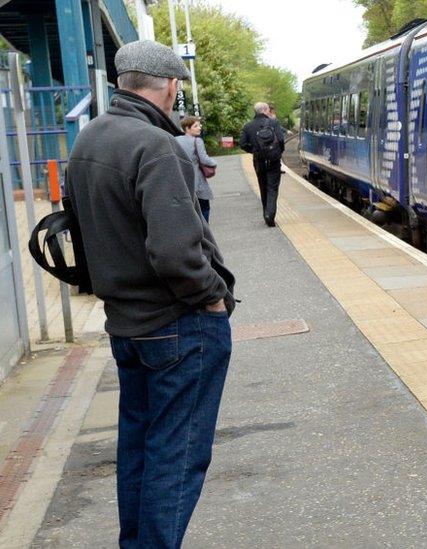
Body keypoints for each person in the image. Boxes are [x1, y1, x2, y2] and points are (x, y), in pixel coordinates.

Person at [64, 40, 235, 549]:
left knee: (139, 448)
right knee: (178, 455)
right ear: (171, 86)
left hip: (127, 324)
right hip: (178, 324)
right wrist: (212, 296)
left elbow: (77, 229)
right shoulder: (156, 146)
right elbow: (175, 252)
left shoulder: (89, 138)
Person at [240, 102, 285, 227]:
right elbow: (281, 140)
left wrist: (254, 151)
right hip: (273, 161)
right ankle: (270, 215)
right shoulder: (274, 123)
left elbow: (242, 144)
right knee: (272, 188)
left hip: (259, 161)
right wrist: (277, 152)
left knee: (263, 186)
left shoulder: (248, 126)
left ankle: (266, 212)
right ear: (265, 110)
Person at [176, 116, 218, 222]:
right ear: (187, 128)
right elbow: (204, 159)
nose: (199, 128)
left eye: (199, 125)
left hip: (181, 179)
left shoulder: (175, 140)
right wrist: (214, 163)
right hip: (196, 179)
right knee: (204, 207)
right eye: (195, 126)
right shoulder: (197, 141)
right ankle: (204, 230)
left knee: (190, 208)